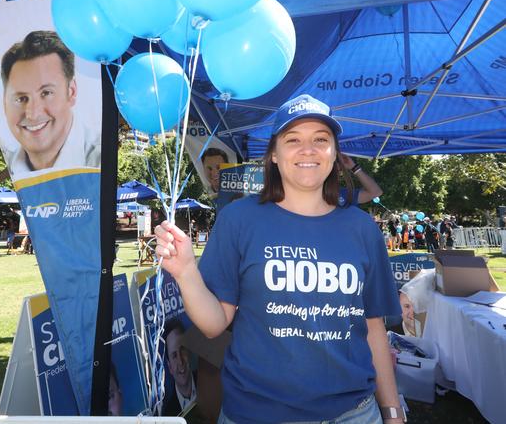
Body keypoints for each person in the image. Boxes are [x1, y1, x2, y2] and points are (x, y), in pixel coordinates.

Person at [155, 94, 404, 424]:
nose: (308, 149)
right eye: (293, 139)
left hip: (353, 413)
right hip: (258, 414)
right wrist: (186, 271)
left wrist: (392, 412)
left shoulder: (361, 228)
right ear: (273, 154)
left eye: (321, 139)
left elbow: (373, 327)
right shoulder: (239, 220)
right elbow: (215, 324)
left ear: (334, 153)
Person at [1, 30, 100, 175]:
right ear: (4, 103)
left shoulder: (103, 161)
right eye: (21, 98)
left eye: (46, 93)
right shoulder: (9, 163)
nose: (33, 114)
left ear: (71, 92)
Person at [162, 318, 196, 416]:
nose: (180, 361)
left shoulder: (209, 382)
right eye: (174, 356)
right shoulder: (168, 415)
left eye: (182, 350)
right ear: (170, 367)